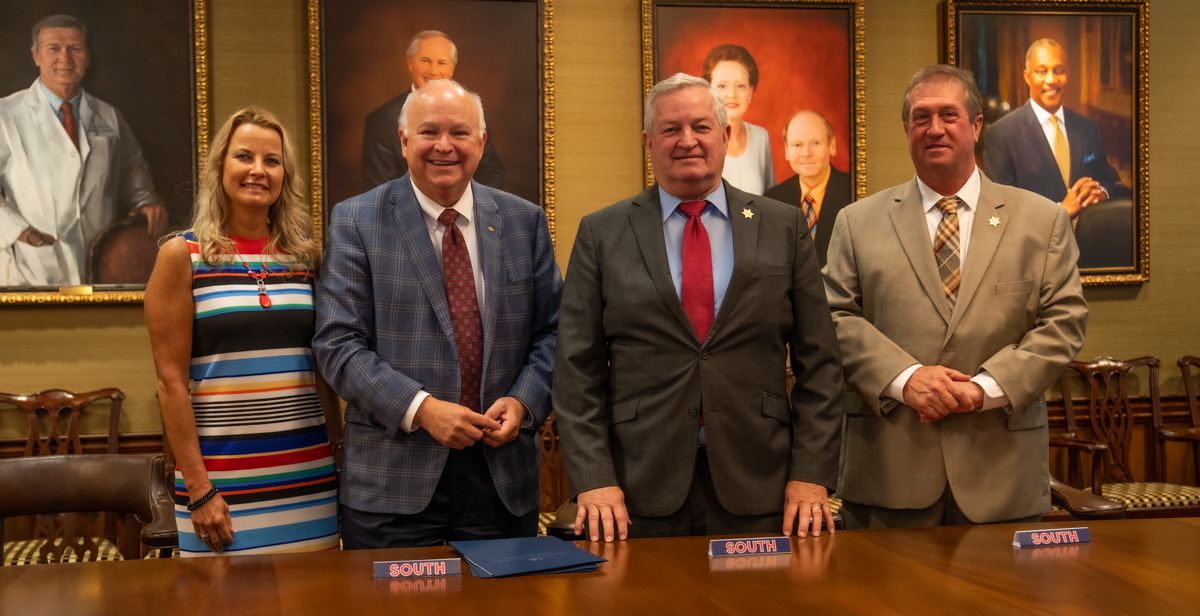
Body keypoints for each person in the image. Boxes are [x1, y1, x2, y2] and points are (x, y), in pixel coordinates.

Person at [553, 73, 843, 542]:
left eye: (702, 127)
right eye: (671, 129)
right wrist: (595, 479)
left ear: (726, 136)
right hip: (634, 491)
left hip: (763, 484)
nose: (687, 140)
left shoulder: (783, 226)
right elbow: (576, 370)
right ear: (649, 142)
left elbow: (821, 364)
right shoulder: (602, 234)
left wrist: (811, 474)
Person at [823, 65, 1088, 529]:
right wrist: (906, 379)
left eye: (949, 114)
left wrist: (981, 390)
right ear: (906, 129)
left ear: (976, 125)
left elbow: (1064, 323)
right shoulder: (856, 222)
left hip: (1001, 475)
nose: (935, 128)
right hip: (888, 473)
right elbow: (832, 316)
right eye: (921, 117)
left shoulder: (1041, 221)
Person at [315, 80, 561, 548]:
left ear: (481, 142)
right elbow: (338, 345)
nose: (444, 146)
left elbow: (554, 332)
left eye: (460, 133)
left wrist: (526, 401)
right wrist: (423, 410)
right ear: (404, 140)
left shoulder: (523, 221)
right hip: (393, 485)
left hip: (502, 479)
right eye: (429, 132)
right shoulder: (355, 220)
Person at [145, 107, 342, 556]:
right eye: (244, 156)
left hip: (307, 473)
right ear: (220, 168)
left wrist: (339, 450)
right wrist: (198, 489)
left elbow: (324, 368)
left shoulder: (305, 258)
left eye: (272, 161)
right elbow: (170, 382)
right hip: (220, 484)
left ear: (284, 175)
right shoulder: (182, 255)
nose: (258, 170)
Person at [0, 14, 168, 286]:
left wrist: (146, 201)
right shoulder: (6, 115)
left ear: (87, 55)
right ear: (36, 56)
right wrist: (20, 231)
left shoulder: (108, 116)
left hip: (100, 266)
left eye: (75, 49)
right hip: (29, 269)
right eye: (53, 48)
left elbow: (133, 170)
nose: (65, 59)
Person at [982, 39, 1129, 221]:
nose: (1051, 80)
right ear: (1027, 77)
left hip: (1089, 243)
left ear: (1067, 74)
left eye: (1058, 71)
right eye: (1042, 71)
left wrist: (1102, 192)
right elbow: (1000, 210)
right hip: (1036, 247)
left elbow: (1110, 181)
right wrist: (1060, 211)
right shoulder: (1002, 134)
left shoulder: (1088, 128)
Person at [360, 30, 505, 192]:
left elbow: (492, 172)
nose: (434, 71)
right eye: (425, 61)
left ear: (452, 68)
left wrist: (461, 206)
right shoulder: (381, 120)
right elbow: (380, 190)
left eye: (442, 62)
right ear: (410, 63)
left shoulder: (472, 112)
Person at [764, 110, 853, 267]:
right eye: (797, 145)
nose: (806, 153)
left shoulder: (855, 192)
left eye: (815, 143)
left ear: (831, 145)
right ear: (787, 151)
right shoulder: (773, 200)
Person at [702, 45, 773, 195]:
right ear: (708, 91)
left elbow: (771, 201)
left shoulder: (761, 137)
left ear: (750, 92)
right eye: (722, 86)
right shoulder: (698, 141)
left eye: (740, 86)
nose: (732, 94)